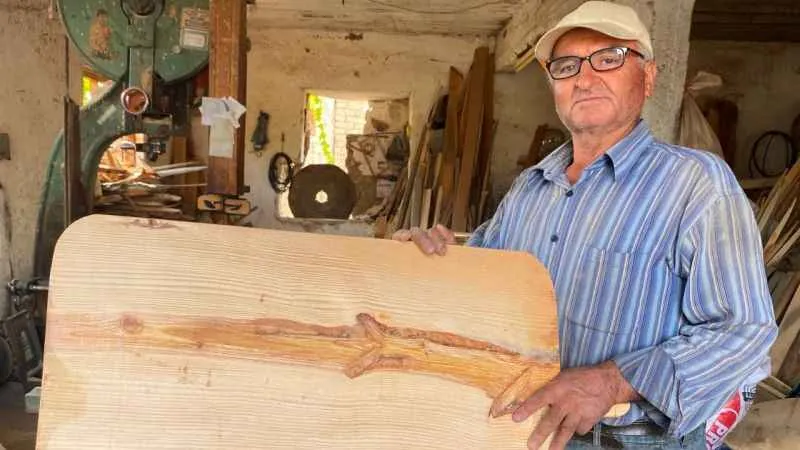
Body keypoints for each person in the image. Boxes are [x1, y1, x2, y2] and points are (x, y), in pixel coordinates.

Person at [392, 2, 778, 449]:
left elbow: (743, 330)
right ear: (554, 84)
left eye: (609, 58)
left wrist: (613, 383)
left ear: (648, 77)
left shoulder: (696, 184)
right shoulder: (530, 188)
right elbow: (484, 276)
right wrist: (430, 260)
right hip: (524, 431)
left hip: (630, 442)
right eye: (567, 65)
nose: (585, 77)